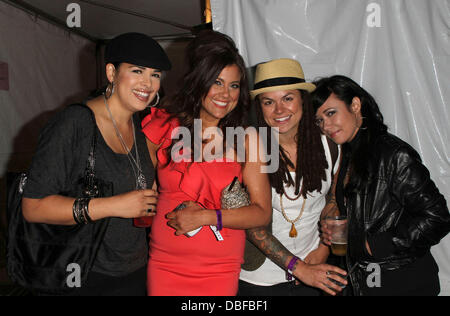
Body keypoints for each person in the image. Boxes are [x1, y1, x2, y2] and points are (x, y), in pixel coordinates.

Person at [21, 32, 171, 295]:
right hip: (84, 272)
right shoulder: (75, 123)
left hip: (136, 271)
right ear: (111, 73)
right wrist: (116, 204)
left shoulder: (141, 125)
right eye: (137, 71)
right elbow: (34, 207)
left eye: (155, 74)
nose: (147, 83)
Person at [141, 30, 272, 296]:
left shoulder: (247, 140)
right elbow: (140, 178)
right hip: (165, 264)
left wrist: (204, 217)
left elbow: (261, 212)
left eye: (234, 85)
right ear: (199, 82)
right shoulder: (165, 125)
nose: (226, 94)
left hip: (219, 269)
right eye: (217, 82)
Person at [312, 75, 450, 296]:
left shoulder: (393, 154)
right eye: (319, 120)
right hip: (369, 281)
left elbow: (437, 217)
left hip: (403, 282)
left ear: (355, 105)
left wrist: (371, 245)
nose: (325, 126)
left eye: (330, 113)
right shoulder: (350, 152)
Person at [238, 58, 347, 296]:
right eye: (269, 102)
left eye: (288, 98)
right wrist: (299, 268)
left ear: (303, 101)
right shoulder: (248, 149)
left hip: (315, 271)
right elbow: (251, 225)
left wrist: (323, 248)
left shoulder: (330, 146)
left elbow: (334, 199)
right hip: (260, 281)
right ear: (260, 107)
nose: (279, 110)